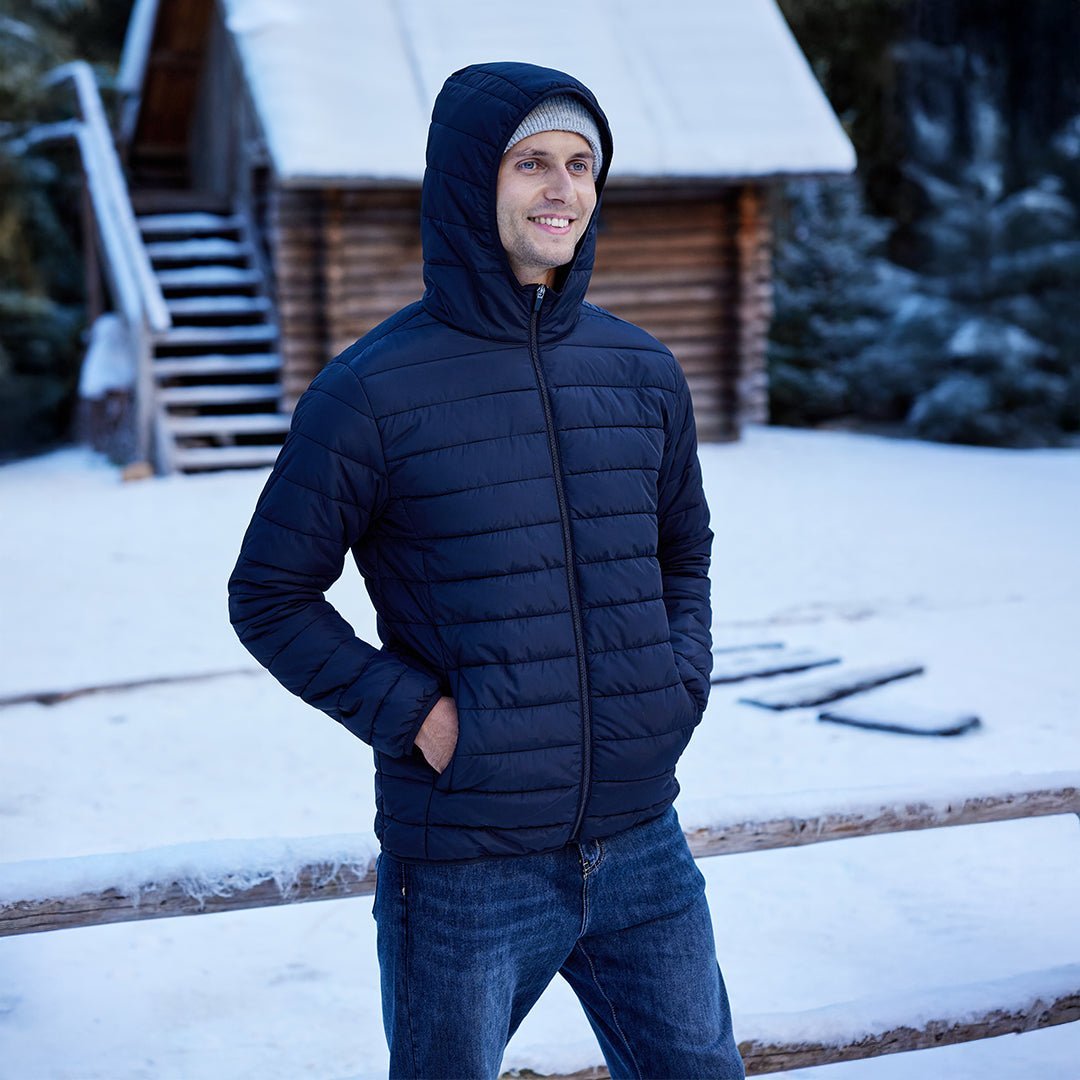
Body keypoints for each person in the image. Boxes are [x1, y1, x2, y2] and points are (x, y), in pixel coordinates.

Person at [228, 61, 743, 1080]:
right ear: (473, 179)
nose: (562, 188)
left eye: (581, 164)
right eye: (531, 162)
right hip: (467, 861)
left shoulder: (643, 372)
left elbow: (683, 551)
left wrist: (676, 685)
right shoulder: (371, 390)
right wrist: (420, 716)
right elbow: (270, 596)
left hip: (644, 841)